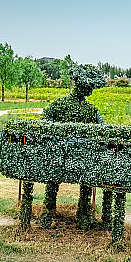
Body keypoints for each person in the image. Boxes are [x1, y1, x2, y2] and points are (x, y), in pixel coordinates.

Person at [40, 63, 107, 229]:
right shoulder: (91, 110)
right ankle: (82, 214)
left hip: (60, 158)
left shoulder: (60, 104)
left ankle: (49, 212)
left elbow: (45, 123)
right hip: (81, 160)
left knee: (53, 180)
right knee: (85, 181)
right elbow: (103, 129)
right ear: (84, 89)